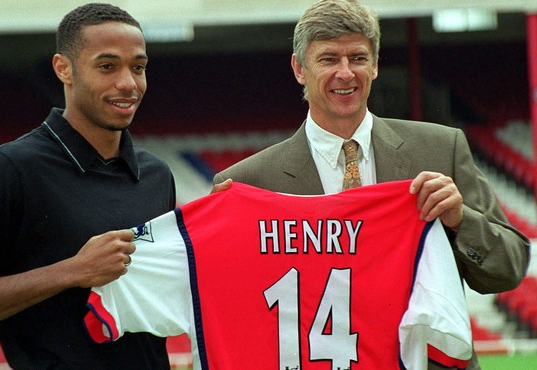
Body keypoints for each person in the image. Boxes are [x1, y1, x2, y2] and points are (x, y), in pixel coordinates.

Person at [213, 1, 531, 369]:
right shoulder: (250, 182)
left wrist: (461, 220)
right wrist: (227, 243)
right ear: (299, 68)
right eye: (329, 59)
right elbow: (232, 307)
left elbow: (509, 267)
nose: (346, 73)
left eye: (358, 58)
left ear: (376, 65)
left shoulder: (441, 149)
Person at [0, 3, 176, 369]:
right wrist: (73, 270)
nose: (128, 83)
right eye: (107, 66)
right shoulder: (12, 169)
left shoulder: (157, 175)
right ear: (64, 68)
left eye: (138, 67)